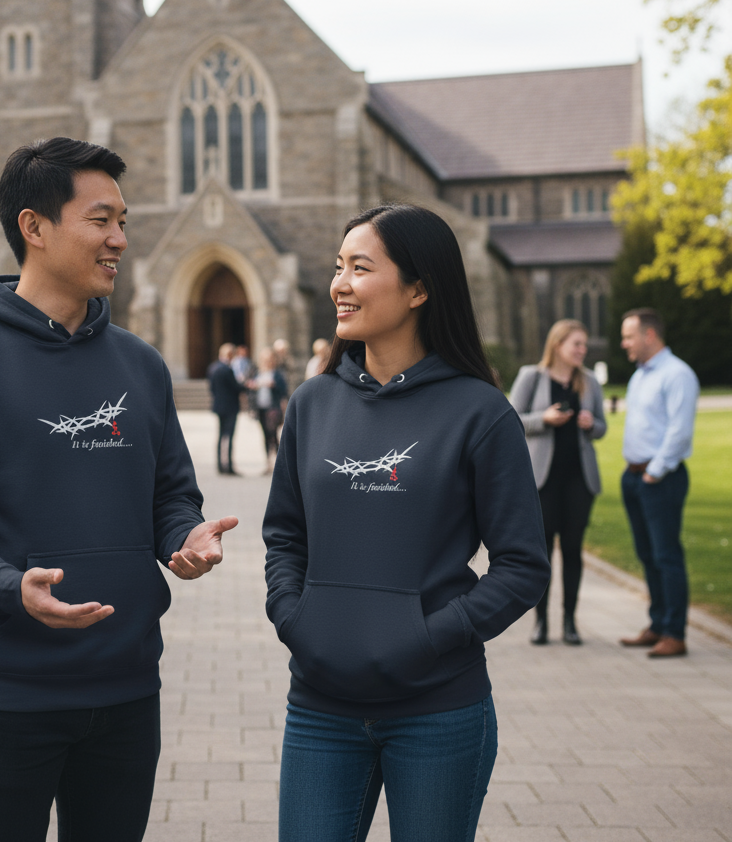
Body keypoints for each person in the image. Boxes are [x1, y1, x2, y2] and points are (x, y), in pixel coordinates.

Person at [0, 137, 238, 842]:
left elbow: (171, 491)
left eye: (123, 221)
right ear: (34, 227)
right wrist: (5, 585)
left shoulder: (141, 365)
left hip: (128, 691)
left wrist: (182, 534)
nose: (120, 239)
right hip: (7, 696)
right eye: (101, 220)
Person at [262, 203, 549, 842]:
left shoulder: (480, 413)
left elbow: (524, 566)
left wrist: (428, 636)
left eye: (360, 268)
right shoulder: (312, 403)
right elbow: (285, 534)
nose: (339, 283)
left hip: (437, 710)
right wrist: (293, 615)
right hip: (320, 708)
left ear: (419, 288)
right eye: (338, 267)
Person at [510, 319, 606, 646]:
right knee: (543, 554)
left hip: (579, 480)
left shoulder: (589, 381)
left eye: (583, 345)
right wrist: (544, 419)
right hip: (542, 481)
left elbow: (602, 427)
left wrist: (591, 424)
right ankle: (540, 623)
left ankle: (569, 622)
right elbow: (509, 420)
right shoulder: (532, 377)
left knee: (574, 551)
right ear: (557, 345)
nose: (582, 350)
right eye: (576, 344)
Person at [617, 308, 699, 658]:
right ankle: (657, 623)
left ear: (649, 335)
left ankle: (674, 633)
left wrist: (655, 471)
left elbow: (679, 433)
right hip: (634, 476)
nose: (624, 344)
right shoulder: (639, 376)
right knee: (647, 555)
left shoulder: (677, 374)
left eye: (629, 336)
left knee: (666, 556)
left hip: (659, 478)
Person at [207, 342, 243, 475]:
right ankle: (228, 466)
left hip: (218, 406)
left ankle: (219, 466)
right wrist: (244, 384)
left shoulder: (212, 368)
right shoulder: (227, 370)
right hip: (230, 407)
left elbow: (211, 388)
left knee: (220, 436)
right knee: (229, 437)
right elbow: (236, 388)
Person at [250, 348, 287, 471]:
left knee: (273, 434)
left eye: (269, 359)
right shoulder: (258, 373)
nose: (267, 361)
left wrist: (273, 385)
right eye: (264, 359)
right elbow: (252, 390)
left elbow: (284, 391)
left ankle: (278, 463)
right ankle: (268, 463)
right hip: (261, 408)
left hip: (273, 408)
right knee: (265, 435)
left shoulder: (277, 373)